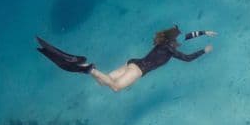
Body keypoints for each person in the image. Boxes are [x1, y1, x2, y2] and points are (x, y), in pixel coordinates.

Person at [36, 25, 216, 92]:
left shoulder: (163, 42)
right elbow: (187, 58)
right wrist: (204, 51)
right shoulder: (171, 49)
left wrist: (204, 32)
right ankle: (87, 68)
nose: (180, 41)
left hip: (133, 62)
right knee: (115, 87)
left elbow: (186, 36)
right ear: (173, 40)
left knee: (103, 82)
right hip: (139, 69)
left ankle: (82, 64)